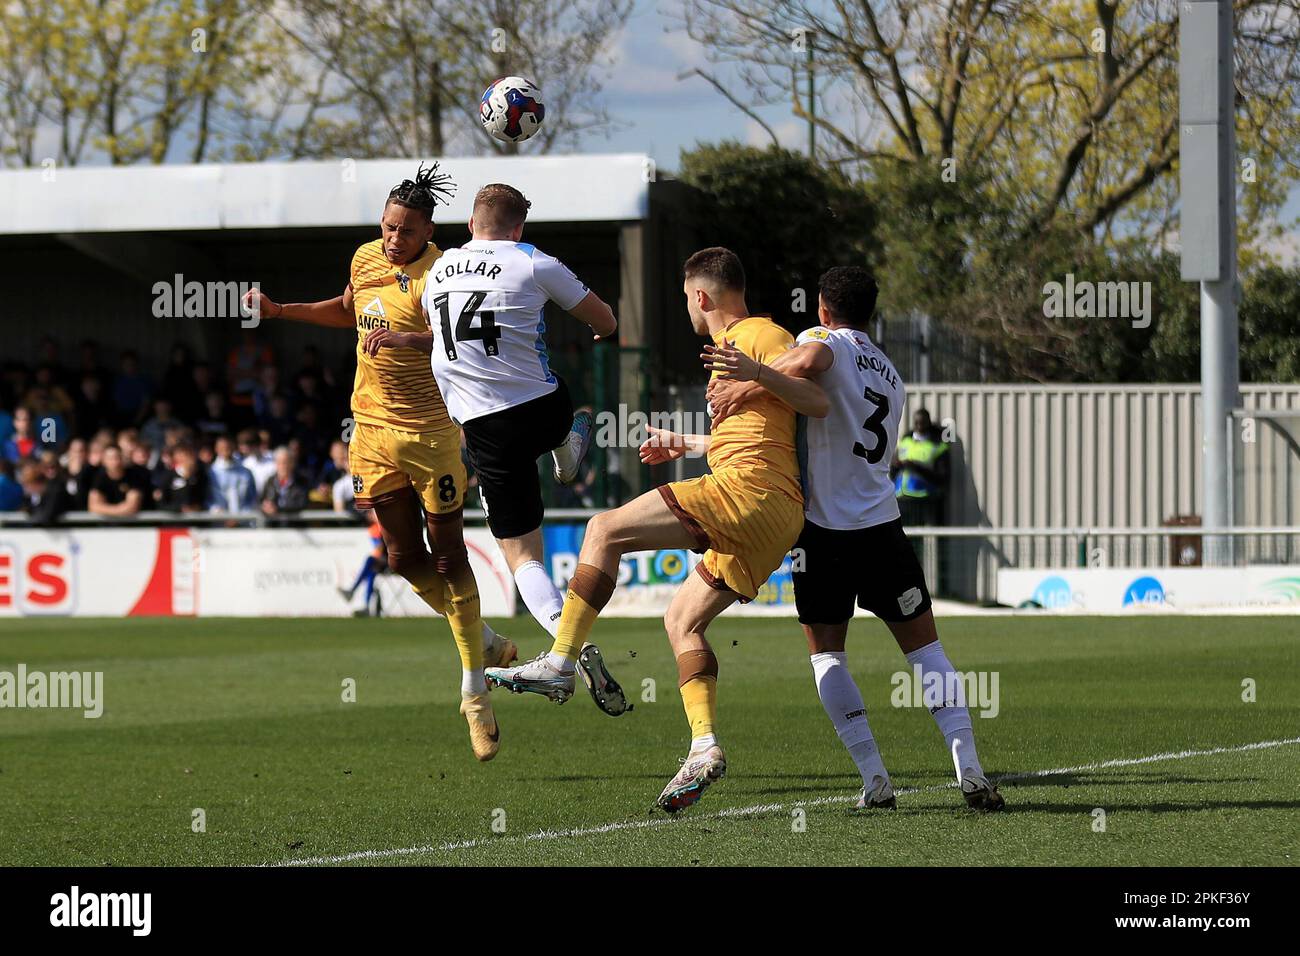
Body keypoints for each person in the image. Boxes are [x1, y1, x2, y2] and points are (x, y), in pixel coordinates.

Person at [487, 247, 819, 813]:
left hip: (750, 492)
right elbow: (762, 433)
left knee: (603, 529)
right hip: (774, 514)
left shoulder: (759, 333)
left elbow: (815, 388)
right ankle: (704, 746)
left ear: (701, 297)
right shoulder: (732, 356)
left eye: (684, 297)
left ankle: (561, 663)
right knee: (681, 620)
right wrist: (686, 443)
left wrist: (761, 374)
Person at [242, 164, 519, 761]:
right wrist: (280, 310)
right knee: (401, 558)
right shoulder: (367, 258)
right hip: (369, 430)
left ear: (429, 231)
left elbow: (465, 343)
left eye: (406, 232)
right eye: (388, 227)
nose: (394, 240)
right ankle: (484, 639)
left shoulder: (443, 275)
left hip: (430, 435)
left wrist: (405, 341)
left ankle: (475, 691)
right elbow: (348, 309)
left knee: (448, 556)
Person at [705, 266, 1003, 812]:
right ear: (872, 312)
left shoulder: (823, 339)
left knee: (828, 658)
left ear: (822, 309)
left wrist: (747, 381)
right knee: (927, 651)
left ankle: (875, 780)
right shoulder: (891, 373)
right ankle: (972, 771)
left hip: (824, 533)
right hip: (883, 528)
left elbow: (811, 360)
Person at [406, 181, 627, 716]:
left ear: (470, 225)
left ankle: (566, 648)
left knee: (523, 558)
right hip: (540, 406)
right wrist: (598, 331)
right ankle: (567, 448)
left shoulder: (440, 270)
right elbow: (606, 321)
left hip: (483, 427)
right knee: (561, 396)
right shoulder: (534, 261)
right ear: (518, 228)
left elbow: (441, 340)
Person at [891, 408, 950, 526]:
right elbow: (893, 472)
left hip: (923, 499)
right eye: (916, 423)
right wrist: (895, 466)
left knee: (921, 540)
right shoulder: (904, 442)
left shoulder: (937, 447)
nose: (919, 426)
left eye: (922, 423)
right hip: (902, 499)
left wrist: (915, 467)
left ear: (928, 423)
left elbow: (942, 478)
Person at [87, 445, 150, 517]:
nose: (115, 462)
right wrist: (120, 509)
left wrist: (104, 509)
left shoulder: (134, 476)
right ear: (104, 460)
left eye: (118, 457)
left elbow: (132, 507)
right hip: (106, 525)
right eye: (111, 458)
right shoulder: (99, 477)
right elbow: (93, 507)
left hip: (132, 524)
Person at [259, 446, 309, 516]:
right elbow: (261, 501)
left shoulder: (301, 481)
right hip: (273, 524)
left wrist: (278, 510)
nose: (282, 466)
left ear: (292, 463)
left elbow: (302, 503)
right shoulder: (270, 481)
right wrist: (265, 506)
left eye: (285, 462)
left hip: (294, 524)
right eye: (279, 462)